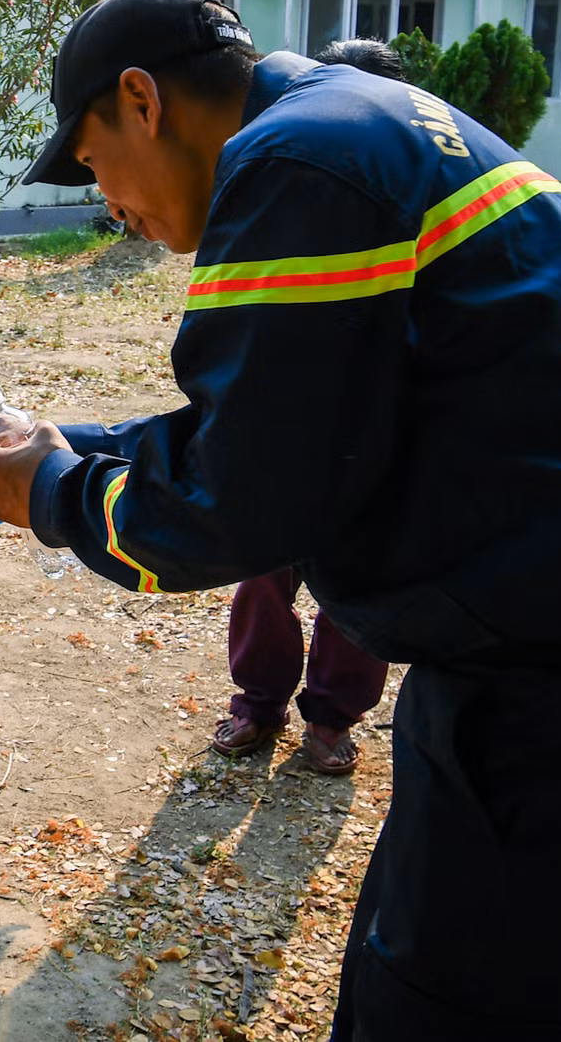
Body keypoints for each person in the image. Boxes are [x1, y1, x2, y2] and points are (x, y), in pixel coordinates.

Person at [0, 0, 561, 1040]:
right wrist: (74, 446)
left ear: (140, 99)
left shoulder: (290, 163)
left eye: (90, 161)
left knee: (450, 1007)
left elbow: (243, 503)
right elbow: (308, 420)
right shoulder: (381, 123)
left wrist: (47, 491)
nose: (107, 201)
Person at [210, 38, 406, 776]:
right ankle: (256, 704)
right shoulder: (288, 170)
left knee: (356, 580)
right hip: (284, 418)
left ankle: (331, 717)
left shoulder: (407, 182)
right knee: (263, 565)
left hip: (374, 424)